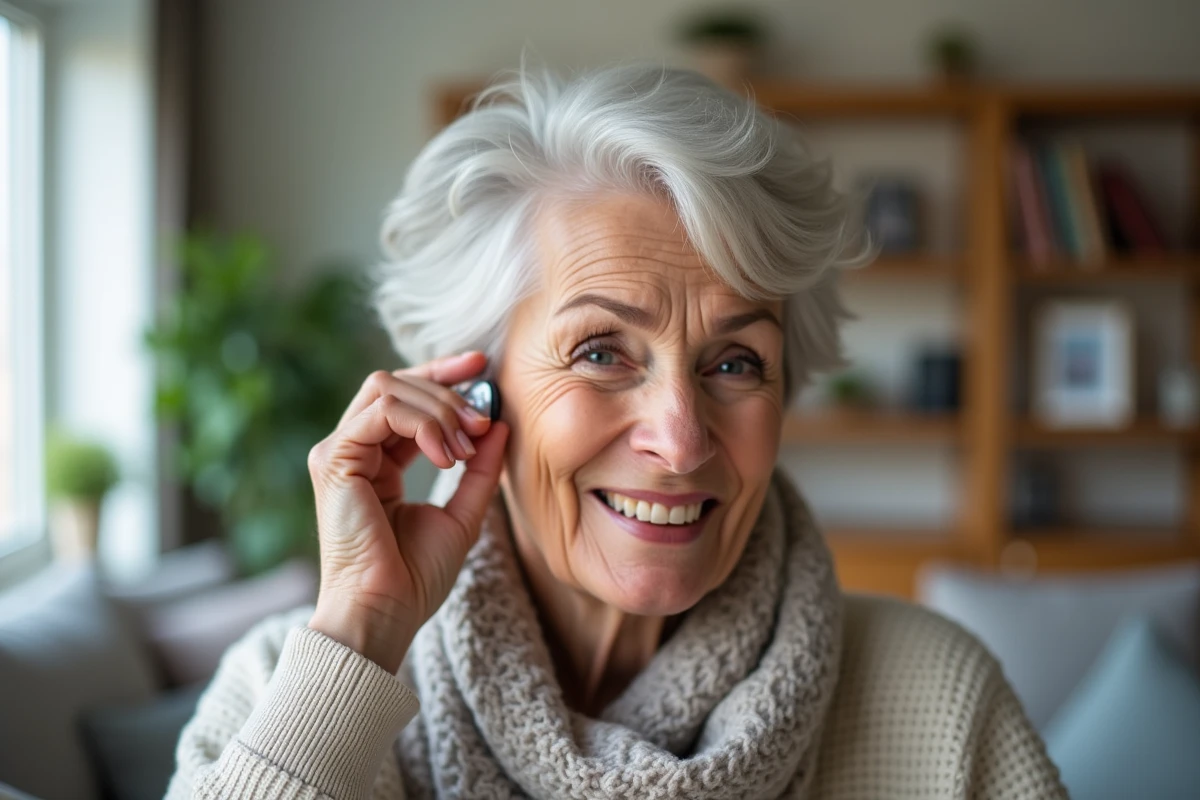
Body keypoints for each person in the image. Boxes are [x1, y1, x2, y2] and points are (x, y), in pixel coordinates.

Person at [166, 58, 1066, 799]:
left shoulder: (938, 706)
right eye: (601, 351)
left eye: (736, 362)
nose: (681, 441)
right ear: (473, 388)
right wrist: (362, 631)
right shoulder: (292, 695)